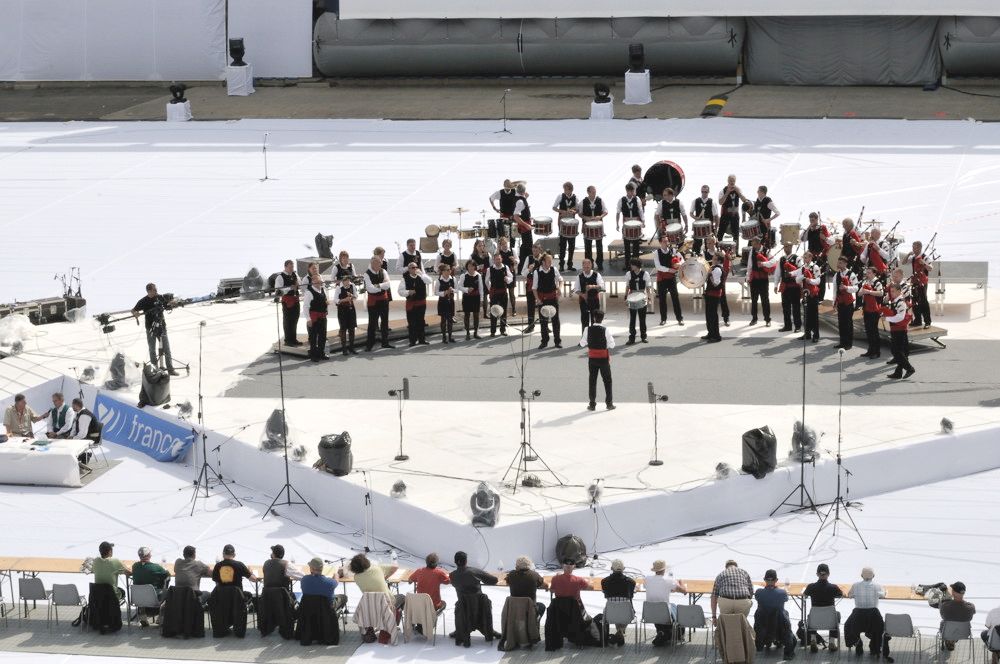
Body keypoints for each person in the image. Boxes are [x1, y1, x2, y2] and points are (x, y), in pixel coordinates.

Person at [450, 551, 501, 646]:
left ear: (455, 562)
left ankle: (460, 630)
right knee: (483, 601)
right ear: (466, 561)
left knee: (462, 605)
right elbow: (494, 580)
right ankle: (488, 630)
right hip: (479, 606)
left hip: (463, 606)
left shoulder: (452, 575)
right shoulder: (474, 571)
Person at [131, 283, 179, 375]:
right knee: (152, 349)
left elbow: (169, 303)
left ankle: (170, 369)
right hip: (150, 328)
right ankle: (155, 369)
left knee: (166, 348)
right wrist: (135, 314)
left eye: (156, 289)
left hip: (162, 327)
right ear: (149, 291)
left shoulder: (160, 297)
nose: (156, 291)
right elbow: (133, 310)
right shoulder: (143, 301)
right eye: (154, 290)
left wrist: (172, 303)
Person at [845, 567, 887, 658]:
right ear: (873, 576)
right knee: (880, 627)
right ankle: (874, 647)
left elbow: (849, 595)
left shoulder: (855, 585)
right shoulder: (877, 586)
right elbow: (883, 595)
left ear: (861, 576)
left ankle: (857, 643)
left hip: (858, 617)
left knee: (847, 625)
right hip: (873, 616)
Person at [754, 569, 796, 658]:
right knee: (785, 613)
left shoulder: (759, 593)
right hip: (779, 626)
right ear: (776, 580)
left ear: (764, 580)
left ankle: (762, 643)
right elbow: (785, 598)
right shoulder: (782, 593)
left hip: (764, 625)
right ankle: (788, 652)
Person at [801, 563, 843, 652]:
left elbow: (804, 595)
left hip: (815, 621)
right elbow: (841, 594)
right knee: (837, 614)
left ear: (817, 574)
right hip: (830, 621)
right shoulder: (833, 587)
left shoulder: (811, 587)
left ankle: (813, 639)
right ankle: (832, 641)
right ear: (828, 574)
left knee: (810, 616)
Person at [645, 560, 688, 646]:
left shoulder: (647, 579)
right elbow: (684, 591)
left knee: (661, 607)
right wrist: (681, 583)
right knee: (673, 608)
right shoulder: (668, 580)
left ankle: (662, 632)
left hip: (650, 614)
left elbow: (649, 587)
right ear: (664, 570)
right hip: (664, 613)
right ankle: (672, 634)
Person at [580, 310, 615, 411]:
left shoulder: (587, 329)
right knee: (607, 381)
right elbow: (612, 345)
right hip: (603, 358)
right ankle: (609, 404)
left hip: (592, 358)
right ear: (602, 319)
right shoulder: (605, 329)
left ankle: (592, 404)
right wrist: (604, 345)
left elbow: (582, 343)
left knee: (592, 381)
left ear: (594, 318)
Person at [882, 283, 915, 379]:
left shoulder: (900, 302)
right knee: (900, 351)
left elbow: (900, 317)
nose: (891, 293)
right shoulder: (895, 301)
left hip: (899, 330)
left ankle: (909, 368)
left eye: (893, 291)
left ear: (899, 291)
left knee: (896, 351)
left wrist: (887, 318)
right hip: (896, 329)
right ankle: (898, 372)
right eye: (890, 291)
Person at [601, 559, 636, 646]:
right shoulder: (631, 582)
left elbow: (606, 595)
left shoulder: (604, 581)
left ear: (611, 568)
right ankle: (621, 631)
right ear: (623, 568)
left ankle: (619, 632)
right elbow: (631, 596)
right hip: (626, 614)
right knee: (625, 605)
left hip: (610, 614)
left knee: (615, 605)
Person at [133, 545, 170, 625]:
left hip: (137, 598)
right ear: (149, 555)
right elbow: (167, 575)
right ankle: (161, 617)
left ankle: (142, 615)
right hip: (152, 598)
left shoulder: (134, 566)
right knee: (170, 593)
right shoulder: (156, 567)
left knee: (142, 588)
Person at [398, 262, 432, 346]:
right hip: (411, 303)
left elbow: (429, 281)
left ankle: (422, 339)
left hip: (421, 303)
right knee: (412, 323)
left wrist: (421, 273)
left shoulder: (422, 277)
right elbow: (400, 291)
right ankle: (412, 340)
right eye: (412, 268)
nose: (414, 269)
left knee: (421, 321)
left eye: (416, 267)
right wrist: (408, 292)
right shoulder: (404, 279)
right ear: (409, 269)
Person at [363, 256, 393, 351]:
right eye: (376, 263)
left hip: (384, 300)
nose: (379, 264)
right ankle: (370, 344)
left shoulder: (383, 271)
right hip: (373, 302)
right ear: (372, 264)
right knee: (372, 323)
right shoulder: (367, 274)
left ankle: (385, 342)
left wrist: (378, 285)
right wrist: (382, 286)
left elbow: (388, 285)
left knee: (385, 322)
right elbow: (370, 288)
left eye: (379, 263)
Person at [533, 253, 563, 349]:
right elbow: (534, 288)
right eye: (549, 261)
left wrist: (559, 289)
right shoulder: (537, 272)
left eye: (551, 261)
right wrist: (538, 300)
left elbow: (560, 279)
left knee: (556, 321)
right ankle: (544, 341)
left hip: (553, 299)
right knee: (543, 322)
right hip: (542, 300)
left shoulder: (554, 269)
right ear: (543, 262)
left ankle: (557, 341)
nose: (551, 263)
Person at [652, 236, 684, 326]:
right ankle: (663, 319)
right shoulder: (656, 253)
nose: (667, 243)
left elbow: (682, 259)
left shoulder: (673, 251)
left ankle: (679, 318)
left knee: (675, 298)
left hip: (671, 278)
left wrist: (678, 264)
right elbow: (658, 266)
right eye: (664, 241)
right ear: (660, 242)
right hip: (662, 279)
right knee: (662, 299)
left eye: (667, 241)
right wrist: (669, 270)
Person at [800, 212, 831, 301]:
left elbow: (827, 239)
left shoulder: (822, 228)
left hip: (821, 255)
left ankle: (820, 297)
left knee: (820, 276)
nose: (811, 221)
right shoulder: (809, 230)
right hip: (811, 256)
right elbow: (802, 239)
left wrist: (824, 237)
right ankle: (811, 293)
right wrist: (808, 227)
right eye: (810, 219)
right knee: (810, 275)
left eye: (813, 219)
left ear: (817, 219)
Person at [506, 556, 548, 621]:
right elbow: (545, 585)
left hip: (515, 608)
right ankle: (534, 623)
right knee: (541, 606)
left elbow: (507, 582)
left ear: (517, 566)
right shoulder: (534, 575)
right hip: (529, 609)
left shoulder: (511, 574)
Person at [747, 237, 777, 327]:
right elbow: (750, 265)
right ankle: (754, 318)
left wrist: (764, 264)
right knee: (754, 300)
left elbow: (773, 262)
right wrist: (748, 277)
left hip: (763, 279)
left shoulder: (766, 251)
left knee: (765, 300)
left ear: (759, 243)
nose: (753, 245)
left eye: (754, 243)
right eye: (752, 243)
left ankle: (767, 319)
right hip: (754, 279)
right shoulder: (752, 251)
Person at [616, 182, 645, 272]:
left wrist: (643, 221)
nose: (634, 192)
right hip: (626, 224)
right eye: (633, 191)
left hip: (636, 224)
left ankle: (636, 266)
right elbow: (618, 212)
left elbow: (640, 211)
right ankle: (628, 265)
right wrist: (617, 224)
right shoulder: (622, 200)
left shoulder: (637, 199)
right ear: (628, 191)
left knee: (636, 247)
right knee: (627, 247)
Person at [703, 237, 732, 326]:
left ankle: (726, 318)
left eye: (710, 243)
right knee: (711, 301)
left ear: (714, 243)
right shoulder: (704, 253)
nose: (708, 245)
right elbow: (704, 265)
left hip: (719, 278)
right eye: (707, 243)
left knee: (723, 299)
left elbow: (725, 265)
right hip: (710, 279)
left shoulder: (721, 252)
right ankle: (711, 320)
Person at [940, 582, 977, 651]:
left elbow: (942, 616)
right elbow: (973, 612)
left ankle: (950, 640)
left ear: (953, 592)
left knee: (943, 622)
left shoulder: (945, 606)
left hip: (947, 632)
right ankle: (952, 640)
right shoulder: (971, 607)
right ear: (963, 593)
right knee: (956, 623)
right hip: (964, 634)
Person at [904, 241, 932, 328]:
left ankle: (927, 321)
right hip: (914, 281)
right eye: (912, 247)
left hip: (922, 282)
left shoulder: (925, 257)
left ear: (919, 248)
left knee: (923, 301)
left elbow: (930, 268)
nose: (913, 249)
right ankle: (918, 320)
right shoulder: (913, 257)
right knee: (915, 301)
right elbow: (903, 262)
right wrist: (908, 254)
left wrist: (924, 263)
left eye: (915, 247)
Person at [301, 272, 329, 361]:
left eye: (320, 279)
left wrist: (326, 306)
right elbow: (305, 307)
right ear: (313, 281)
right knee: (313, 337)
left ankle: (321, 353)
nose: (319, 281)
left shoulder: (323, 290)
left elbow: (324, 301)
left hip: (323, 317)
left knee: (322, 336)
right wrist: (308, 319)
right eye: (317, 279)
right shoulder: (309, 292)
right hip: (314, 318)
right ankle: (313, 355)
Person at [775, 243, 802, 333]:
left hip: (794, 287)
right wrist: (776, 285)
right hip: (785, 287)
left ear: (791, 247)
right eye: (785, 246)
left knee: (796, 307)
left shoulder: (797, 258)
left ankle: (798, 326)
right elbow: (778, 273)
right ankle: (787, 325)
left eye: (788, 246)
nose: (786, 248)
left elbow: (802, 270)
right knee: (785, 307)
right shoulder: (781, 259)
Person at [833, 256, 858, 350]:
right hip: (840, 301)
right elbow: (835, 290)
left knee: (848, 323)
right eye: (838, 262)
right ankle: (842, 342)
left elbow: (856, 288)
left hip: (848, 302)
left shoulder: (851, 274)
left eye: (840, 263)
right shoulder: (836, 275)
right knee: (841, 322)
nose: (838, 264)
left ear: (845, 264)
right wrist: (834, 302)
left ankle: (848, 343)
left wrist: (847, 288)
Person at [796, 251, 823, 342]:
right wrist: (802, 277)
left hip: (813, 294)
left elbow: (818, 281)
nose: (804, 259)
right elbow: (797, 280)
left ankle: (816, 335)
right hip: (805, 294)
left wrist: (810, 280)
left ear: (810, 258)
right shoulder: (802, 268)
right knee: (806, 314)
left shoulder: (815, 267)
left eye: (806, 257)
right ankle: (807, 333)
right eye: (804, 257)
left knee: (814, 315)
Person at [275, 259, 302, 347]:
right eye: (290, 267)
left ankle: (293, 339)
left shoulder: (295, 274)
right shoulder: (280, 277)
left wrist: (298, 284)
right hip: (287, 301)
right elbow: (278, 290)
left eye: (292, 267)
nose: (291, 269)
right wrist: (289, 288)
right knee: (288, 321)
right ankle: (288, 340)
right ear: (285, 267)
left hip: (295, 299)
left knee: (295, 320)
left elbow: (300, 284)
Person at [858, 267, 884, 359]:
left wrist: (868, 291)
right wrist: (862, 292)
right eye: (866, 272)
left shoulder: (877, 282)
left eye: (869, 273)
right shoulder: (865, 282)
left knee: (874, 331)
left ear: (874, 274)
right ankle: (870, 350)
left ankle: (876, 351)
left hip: (875, 309)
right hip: (867, 308)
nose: (867, 274)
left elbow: (881, 293)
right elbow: (859, 293)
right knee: (868, 330)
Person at [625, 258, 652, 344]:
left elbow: (648, 287)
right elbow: (628, 286)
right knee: (632, 319)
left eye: (633, 265)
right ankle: (631, 338)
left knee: (642, 318)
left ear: (637, 265)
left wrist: (649, 297)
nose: (631, 266)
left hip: (641, 295)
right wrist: (626, 297)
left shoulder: (645, 274)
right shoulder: (629, 274)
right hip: (632, 295)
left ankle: (643, 336)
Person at [572, 258, 604, 331]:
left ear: (591, 266)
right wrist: (583, 295)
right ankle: (584, 340)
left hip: (594, 300)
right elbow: (576, 289)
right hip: (584, 301)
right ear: (582, 267)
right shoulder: (579, 276)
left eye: (588, 267)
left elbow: (602, 285)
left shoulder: (596, 274)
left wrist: (592, 286)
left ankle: (594, 339)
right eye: (584, 267)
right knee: (584, 321)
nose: (586, 268)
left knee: (595, 321)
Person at [581, 185, 608, 272]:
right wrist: (586, 218)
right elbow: (580, 213)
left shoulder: (600, 200)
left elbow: (606, 211)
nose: (594, 193)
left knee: (599, 246)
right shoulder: (583, 201)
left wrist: (600, 216)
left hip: (598, 227)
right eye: (592, 192)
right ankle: (589, 264)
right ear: (588, 192)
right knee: (587, 247)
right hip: (587, 227)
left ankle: (600, 263)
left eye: (595, 192)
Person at [486, 252, 513, 337]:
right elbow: (487, 281)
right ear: (493, 260)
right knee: (493, 312)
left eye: (499, 259)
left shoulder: (506, 267)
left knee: (503, 312)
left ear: (501, 259)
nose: (498, 261)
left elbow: (511, 278)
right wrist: (490, 288)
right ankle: (493, 331)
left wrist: (507, 279)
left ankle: (503, 330)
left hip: (503, 293)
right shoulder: (489, 269)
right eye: (496, 259)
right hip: (494, 293)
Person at [554, 182, 579, 272]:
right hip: (563, 223)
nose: (565, 191)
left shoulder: (575, 197)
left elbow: (578, 209)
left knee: (571, 246)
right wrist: (563, 211)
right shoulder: (560, 196)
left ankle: (570, 264)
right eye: (564, 189)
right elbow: (554, 207)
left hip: (571, 224)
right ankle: (561, 265)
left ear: (571, 189)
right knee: (562, 246)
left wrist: (573, 211)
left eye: (566, 189)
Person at [521, 244, 544, 333]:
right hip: (530, 285)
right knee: (530, 306)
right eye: (533, 251)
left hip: (541, 286)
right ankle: (531, 326)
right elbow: (523, 273)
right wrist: (529, 270)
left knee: (542, 306)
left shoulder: (543, 258)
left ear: (540, 250)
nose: (534, 253)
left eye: (536, 250)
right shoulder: (529, 258)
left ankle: (544, 326)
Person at [702, 252, 725, 343]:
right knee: (709, 314)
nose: (712, 260)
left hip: (714, 295)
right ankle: (710, 333)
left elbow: (716, 284)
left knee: (713, 316)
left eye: (715, 259)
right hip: (710, 293)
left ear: (719, 260)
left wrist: (710, 274)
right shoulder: (714, 268)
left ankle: (716, 336)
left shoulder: (717, 270)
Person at [689, 184, 719, 254]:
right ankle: (696, 256)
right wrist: (696, 218)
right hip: (698, 225)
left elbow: (716, 216)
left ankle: (709, 257)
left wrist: (716, 227)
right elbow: (691, 213)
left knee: (708, 243)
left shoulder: (712, 202)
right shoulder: (695, 201)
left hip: (708, 226)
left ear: (708, 192)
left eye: (705, 192)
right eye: (702, 191)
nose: (704, 193)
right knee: (697, 242)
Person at [458, 260, 484, 340]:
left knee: (476, 316)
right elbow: (459, 286)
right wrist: (466, 289)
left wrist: (481, 299)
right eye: (469, 266)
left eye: (472, 266)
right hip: (467, 297)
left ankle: (476, 332)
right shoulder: (463, 276)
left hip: (476, 297)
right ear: (467, 267)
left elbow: (481, 288)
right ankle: (467, 333)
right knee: (467, 315)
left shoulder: (478, 275)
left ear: (475, 267)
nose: (471, 268)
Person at [513, 183, 535, 272]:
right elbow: (516, 216)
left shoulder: (521, 199)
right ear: (524, 191)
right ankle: (524, 267)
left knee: (525, 246)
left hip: (526, 225)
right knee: (528, 247)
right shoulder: (520, 201)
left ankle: (523, 267)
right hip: (525, 227)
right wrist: (527, 225)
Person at [334, 274, 359, 355]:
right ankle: (344, 348)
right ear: (342, 281)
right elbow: (335, 300)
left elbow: (356, 296)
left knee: (352, 329)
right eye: (345, 280)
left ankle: (352, 347)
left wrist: (352, 296)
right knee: (343, 329)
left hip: (351, 309)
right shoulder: (339, 288)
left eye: (348, 280)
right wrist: (344, 300)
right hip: (342, 310)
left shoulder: (352, 285)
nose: (347, 282)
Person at [435, 264, 457, 344]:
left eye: (449, 270)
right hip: (442, 302)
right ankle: (444, 337)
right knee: (443, 320)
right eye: (447, 270)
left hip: (450, 301)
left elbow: (457, 289)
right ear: (443, 271)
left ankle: (450, 336)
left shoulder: (453, 279)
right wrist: (444, 293)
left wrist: (452, 290)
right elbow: (436, 292)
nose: (449, 271)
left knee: (450, 320)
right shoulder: (438, 280)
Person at [496, 236, 518, 315]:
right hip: (502, 274)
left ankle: (514, 310)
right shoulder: (499, 252)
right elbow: (495, 260)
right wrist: (498, 249)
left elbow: (518, 261)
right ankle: (502, 311)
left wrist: (514, 260)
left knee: (511, 293)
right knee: (502, 293)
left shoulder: (512, 250)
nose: (504, 245)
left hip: (511, 272)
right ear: (500, 245)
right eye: (502, 244)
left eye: (505, 243)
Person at [471, 239, 492, 319]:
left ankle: (485, 313)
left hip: (485, 277)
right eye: (479, 246)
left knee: (486, 295)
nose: (481, 247)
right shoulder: (472, 256)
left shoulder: (488, 255)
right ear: (476, 247)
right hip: (476, 277)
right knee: (476, 295)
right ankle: (475, 313)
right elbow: (470, 267)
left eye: (482, 245)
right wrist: (477, 267)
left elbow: (491, 265)